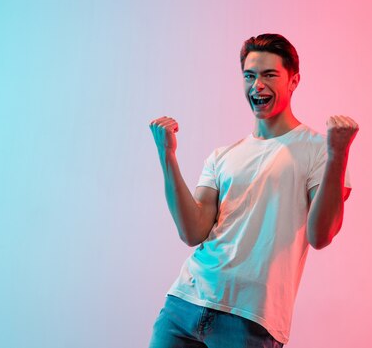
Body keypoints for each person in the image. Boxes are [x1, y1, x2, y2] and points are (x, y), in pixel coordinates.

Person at [148, 34, 359, 347]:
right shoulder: (223, 155)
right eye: (250, 76)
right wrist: (167, 155)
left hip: (249, 320)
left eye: (269, 75)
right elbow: (192, 231)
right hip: (184, 304)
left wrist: (339, 154)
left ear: (294, 80)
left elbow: (321, 236)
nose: (257, 85)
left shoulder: (319, 150)